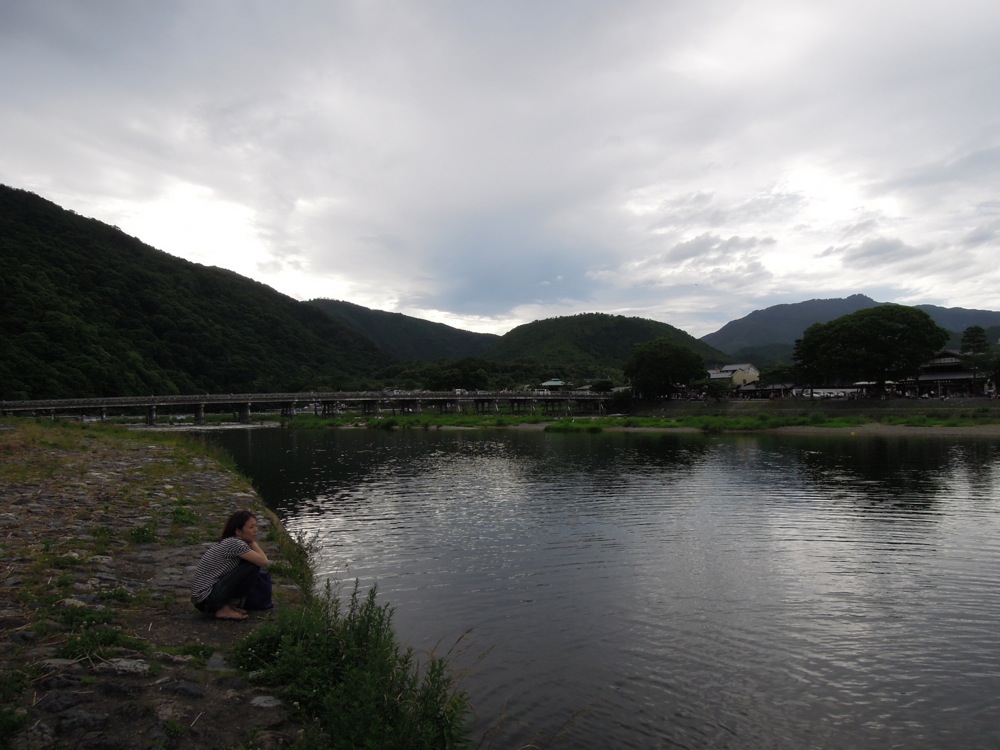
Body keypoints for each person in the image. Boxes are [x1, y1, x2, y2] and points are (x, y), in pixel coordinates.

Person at [191, 509, 270, 621]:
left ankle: (228, 606)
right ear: (238, 531)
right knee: (252, 566)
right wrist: (252, 542)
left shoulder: (229, 541)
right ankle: (224, 609)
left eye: (256, 526)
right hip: (206, 598)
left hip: (203, 599)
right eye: (251, 527)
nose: (256, 530)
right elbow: (264, 561)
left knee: (251, 563)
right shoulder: (235, 543)